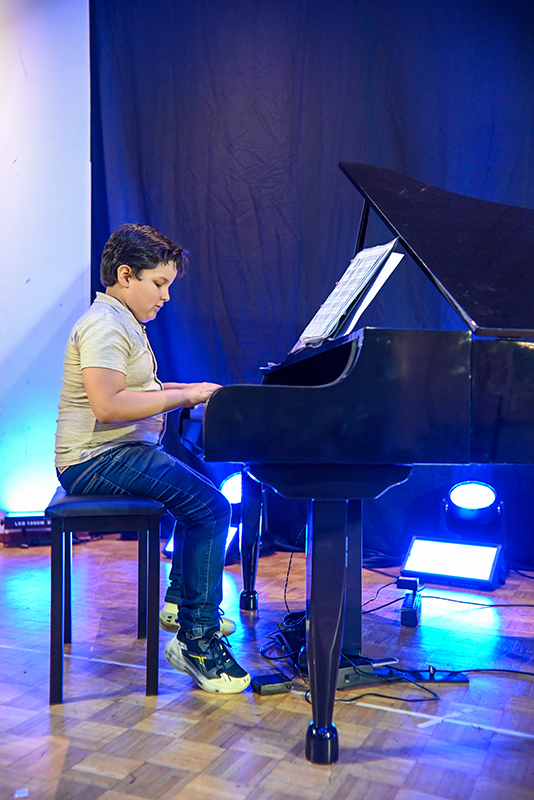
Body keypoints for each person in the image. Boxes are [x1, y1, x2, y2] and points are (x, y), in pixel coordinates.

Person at [54, 223, 250, 694]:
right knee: (212, 508)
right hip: (94, 459)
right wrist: (185, 398)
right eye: (159, 284)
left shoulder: (122, 321)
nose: (166, 297)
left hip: (115, 453)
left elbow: (145, 389)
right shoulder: (105, 325)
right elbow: (109, 405)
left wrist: (196, 389)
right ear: (126, 275)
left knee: (199, 498)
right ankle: (196, 640)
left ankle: (182, 605)